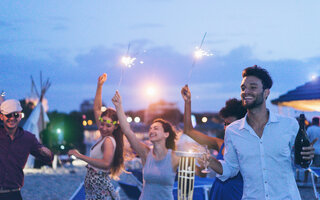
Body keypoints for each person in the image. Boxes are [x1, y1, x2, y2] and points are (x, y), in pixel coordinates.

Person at [206, 65, 316, 200]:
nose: (246, 91)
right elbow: (231, 168)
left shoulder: (289, 125)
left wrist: (307, 157)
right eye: (243, 88)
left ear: (266, 92)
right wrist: (209, 161)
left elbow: (301, 163)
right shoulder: (233, 131)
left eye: (253, 87)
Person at [112, 90, 180, 200]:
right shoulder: (146, 153)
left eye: (156, 128)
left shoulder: (174, 157)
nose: (151, 131)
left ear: (166, 134)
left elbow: (195, 171)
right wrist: (118, 106)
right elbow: (127, 131)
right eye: (150, 128)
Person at [181, 85, 246, 200]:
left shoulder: (251, 146)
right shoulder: (220, 144)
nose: (227, 128)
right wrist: (187, 102)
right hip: (218, 192)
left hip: (237, 195)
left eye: (230, 124)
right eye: (225, 124)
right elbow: (189, 131)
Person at [68, 73, 125, 200]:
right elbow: (97, 109)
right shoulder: (104, 136)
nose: (103, 128)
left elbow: (105, 163)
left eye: (108, 126)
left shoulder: (109, 141)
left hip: (100, 189)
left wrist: (80, 156)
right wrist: (99, 86)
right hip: (95, 188)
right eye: (102, 124)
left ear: (115, 126)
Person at [0, 99, 53, 200]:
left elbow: (49, 158)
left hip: (14, 194)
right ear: (1, 116)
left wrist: (45, 150)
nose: (12, 118)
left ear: (20, 116)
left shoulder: (28, 138)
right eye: (8, 115)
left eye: (15, 115)